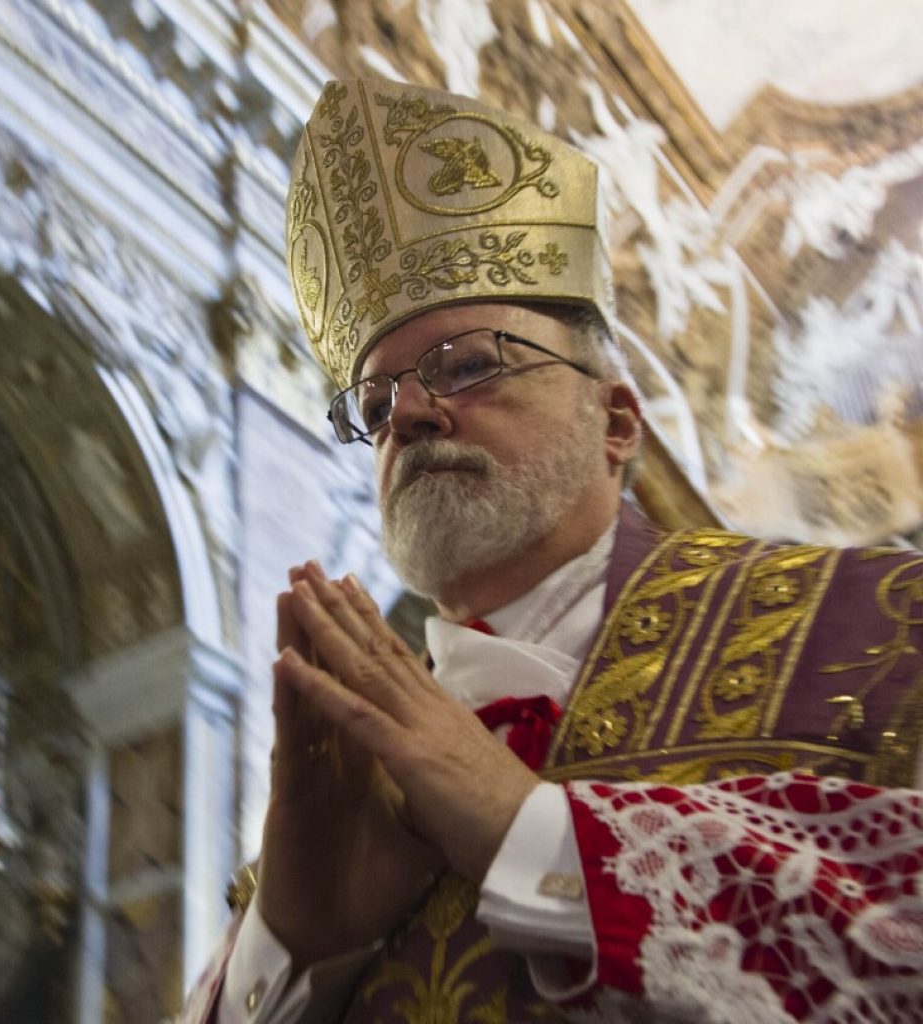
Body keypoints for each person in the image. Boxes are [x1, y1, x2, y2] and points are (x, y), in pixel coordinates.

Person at [180, 79, 923, 1023]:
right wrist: (295, 943)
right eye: (372, 408)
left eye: (468, 364)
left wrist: (532, 836)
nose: (405, 413)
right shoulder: (346, 784)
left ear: (614, 420)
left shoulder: (884, 627)